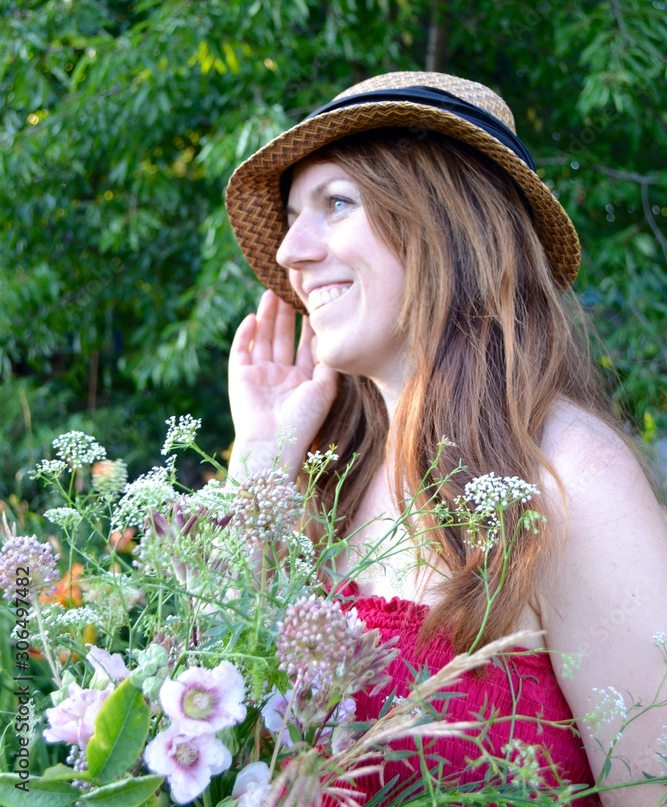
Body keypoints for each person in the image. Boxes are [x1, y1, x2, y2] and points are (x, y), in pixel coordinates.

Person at [225, 71, 667, 806]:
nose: (293, 255)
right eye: (293, 214)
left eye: (334, 204)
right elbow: (221, 717)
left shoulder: (569, 478)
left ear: (444, 224)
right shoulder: (325, 475)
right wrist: (262, 462)